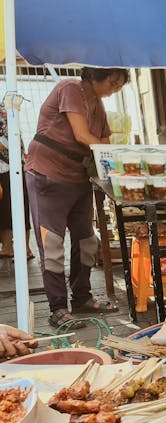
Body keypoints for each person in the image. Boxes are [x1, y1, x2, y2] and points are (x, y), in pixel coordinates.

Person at [25, 68, 129, 328]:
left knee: (86, 241)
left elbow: (103, 139)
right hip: (47, 174)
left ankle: (82, 297)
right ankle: (57, 308)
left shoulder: (99, 104)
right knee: (52, 244)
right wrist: (118, 156)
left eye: (120, 85)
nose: (114, 88)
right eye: (112, 81)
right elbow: (83, 136)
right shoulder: (70, 87)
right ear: (94, 76)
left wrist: (116, 159)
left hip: (79, 177)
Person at [0, 103, 32, 259]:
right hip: (4, 168)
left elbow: (11, 141)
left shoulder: (6, 110)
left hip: (13, 168)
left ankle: (25, 249)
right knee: (4, 209)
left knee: (19, 207)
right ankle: (7, 247)